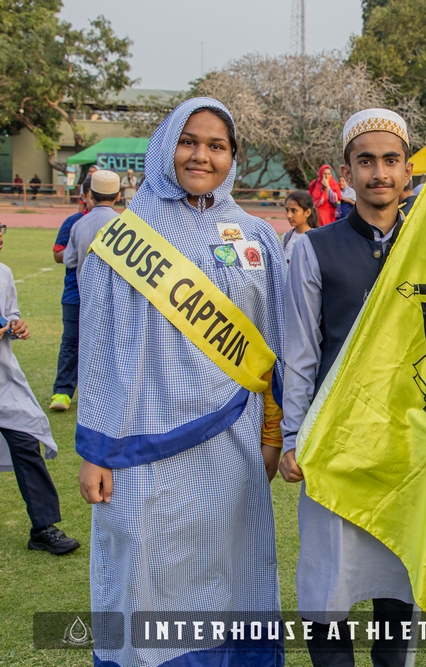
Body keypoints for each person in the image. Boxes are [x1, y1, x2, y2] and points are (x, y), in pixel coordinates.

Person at [76, 98, 285, 667]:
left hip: (232, 448)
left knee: (230, 572)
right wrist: (95, 451)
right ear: (167, 145)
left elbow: (277, 346)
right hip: (142, 452)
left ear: (233, 156)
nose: (202, 156)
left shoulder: (256, 237)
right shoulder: (124, 239)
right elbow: (100, 350)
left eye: (217, 146)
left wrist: (272, 434)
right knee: (146, 579)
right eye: (189, 141)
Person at [280, 108, 416, 667]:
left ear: (408, 170)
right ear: (347, 172)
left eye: (390, 160)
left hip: (407, 444)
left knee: (397, 584)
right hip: (332, 443)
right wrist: (294, 435)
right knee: (328, 587)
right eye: (366, 161)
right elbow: (300, 353)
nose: (379, 173)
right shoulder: (313, 247)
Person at [0, 225, 81, 555]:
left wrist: (16, 325)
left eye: (1, 229)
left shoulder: (4, 273)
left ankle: (43, 527)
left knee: (25, 440)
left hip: (3, 382)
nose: (1, 237)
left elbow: (10, 316)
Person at [49, 195, 89, 411]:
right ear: (86, 196)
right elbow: (58, 255)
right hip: (74, 294)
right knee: (71, 342)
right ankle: (62, 392)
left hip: (104, 296)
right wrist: (82, 247)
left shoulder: (117, 221)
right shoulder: (74, 222)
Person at [62, 170, 121, 283]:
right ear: (118, 196)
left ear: (91, 195)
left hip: (85, 290)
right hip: (115, 291)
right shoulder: (124, 223)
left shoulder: (78, 224)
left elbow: (69, 260)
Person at [283, 190, 318, 263]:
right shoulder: (286, 237)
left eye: (294, 210)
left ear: (307, 212)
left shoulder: (315, 239)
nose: (289, 215)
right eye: (287, 210)